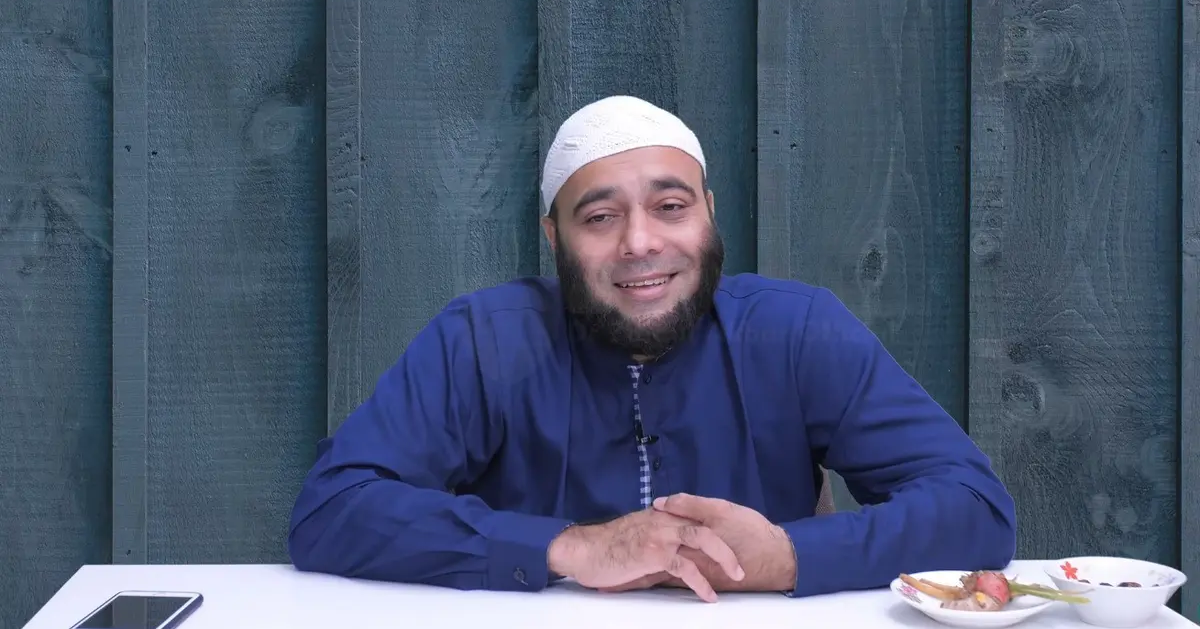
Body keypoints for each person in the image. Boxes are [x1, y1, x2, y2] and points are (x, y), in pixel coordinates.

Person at [287, 95, 1017, 603]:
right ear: (554, 238)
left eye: (671, 207)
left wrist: (788, 557)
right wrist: (572, 547)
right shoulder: (484, 339)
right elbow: (333, 508)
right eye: (600, 217)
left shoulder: (796, 330)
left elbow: (976, 509)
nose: (640, 242)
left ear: (708, 215)